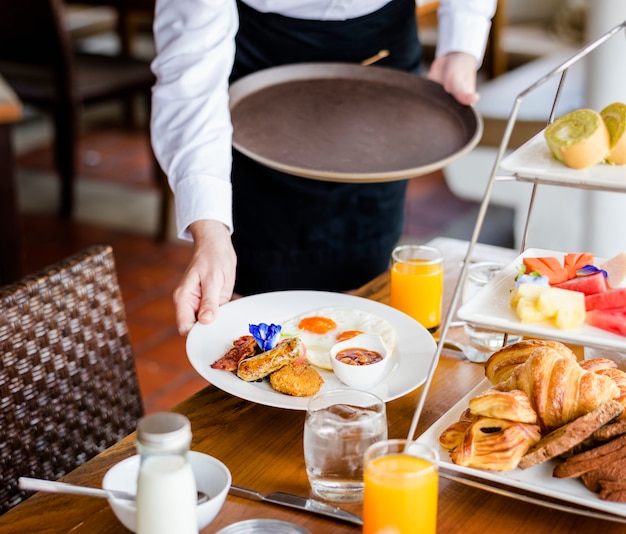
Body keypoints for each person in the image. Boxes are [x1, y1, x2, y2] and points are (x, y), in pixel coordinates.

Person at [151, 0, 497, 336]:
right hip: (263, 68)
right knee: (260, 291)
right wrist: (211, 231)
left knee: (368, 275)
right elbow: (190, 77)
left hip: (379, 61)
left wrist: (461, 45)